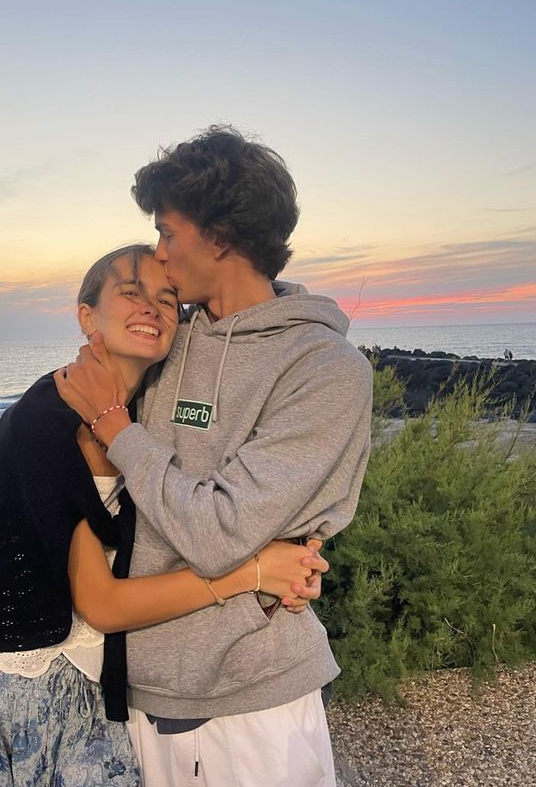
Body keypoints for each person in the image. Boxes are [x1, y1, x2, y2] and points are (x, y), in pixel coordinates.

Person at [0, 243, 326, 787]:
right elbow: (102, 604)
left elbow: (209, 509)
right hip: (7, 681)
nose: (151, 308)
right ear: (87, 316)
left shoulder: (141, 422)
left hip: (93, 680)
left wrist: (297, 555)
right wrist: (256, 572)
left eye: (167, 299)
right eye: (129, 293)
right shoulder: (46, 418)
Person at [54, 126, 373, 786]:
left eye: (169, 234)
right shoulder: (166, 341)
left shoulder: (323, 368)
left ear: (220, 238)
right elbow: (79, 458)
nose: (158, 257)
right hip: (137, 690)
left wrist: (120, 429)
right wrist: (7, 532)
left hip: (253, 701)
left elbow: (222, 531)